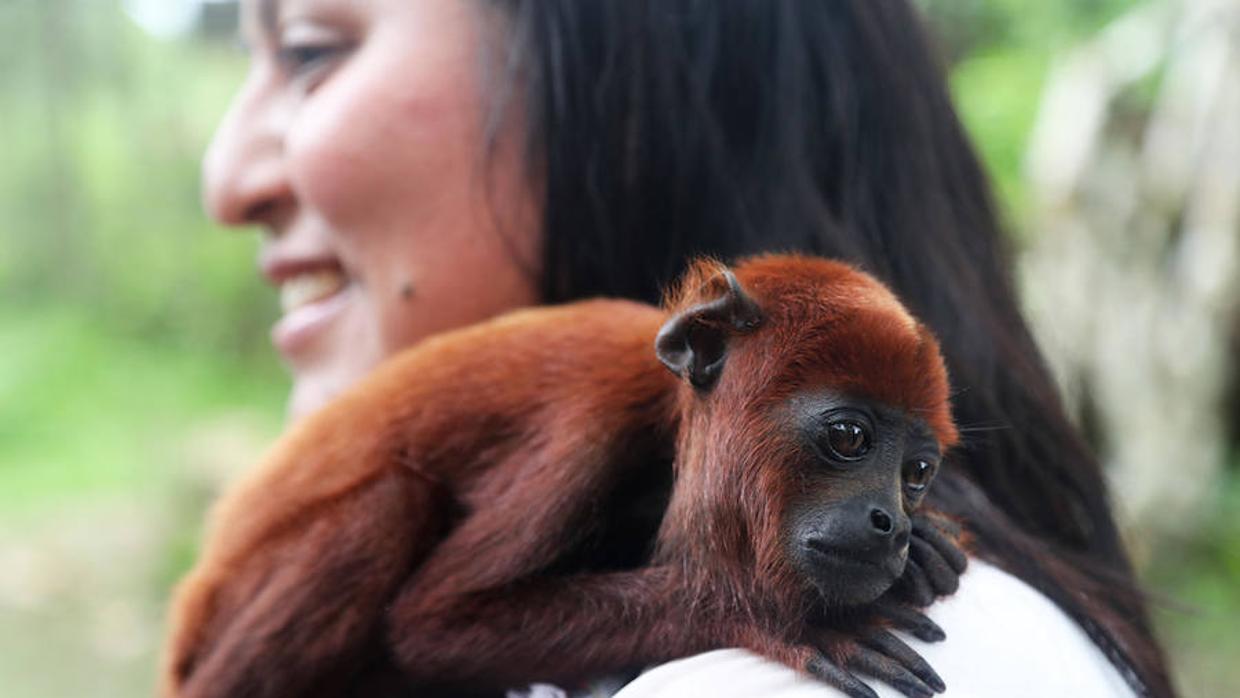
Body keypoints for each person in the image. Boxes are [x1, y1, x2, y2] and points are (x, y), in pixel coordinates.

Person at [202, 0, 1174, 696]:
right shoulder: (595, 410)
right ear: (699, 354)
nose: (224, 179)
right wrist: (731, 606)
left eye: (309, 50)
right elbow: (439, 623)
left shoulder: (930, 654)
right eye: (841, 440)